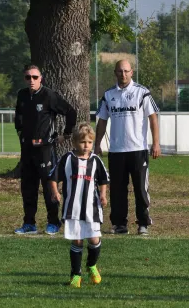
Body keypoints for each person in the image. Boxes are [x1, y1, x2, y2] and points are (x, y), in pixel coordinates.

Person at [94, 59, 161, 235]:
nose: (123, 74)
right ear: (115, 73)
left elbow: (152, 117)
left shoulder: (142, 92)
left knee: (140, 188)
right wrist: (97, 144)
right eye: (119, 71)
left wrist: (156, 143)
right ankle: (119, 224)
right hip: (116, 150)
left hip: (138, 149)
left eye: (126, 71)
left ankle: (143, 223)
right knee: (117, 190)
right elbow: (102, 120)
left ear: (132, 72)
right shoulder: (109, 95)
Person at [14, 64, 77, 235]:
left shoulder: (49, 95)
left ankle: (54, 222)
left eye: (35, 77)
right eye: (28, 77)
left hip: (45, 149)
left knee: (50, 186)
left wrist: (66, 134)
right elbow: (18, 117)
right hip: (27, 150)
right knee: (27, 187)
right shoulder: (22, 95)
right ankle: (29, 223)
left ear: (41, 78)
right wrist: (20, 132)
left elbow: (71, 112)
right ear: (25, 79)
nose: (32, 80)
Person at [49, 124, 110, 288]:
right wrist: (55, 192)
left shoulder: (96, 160)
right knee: (77, 241)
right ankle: (76, 275)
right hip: (72, 208)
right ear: (75, 143)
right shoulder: (67, 159)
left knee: (94, 239)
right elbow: (53, 176)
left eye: (90, 142)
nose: (86, 145)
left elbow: (104, 180)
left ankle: (91, 265)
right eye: (83, 142)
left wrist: (103, 195)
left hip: (92, 208)